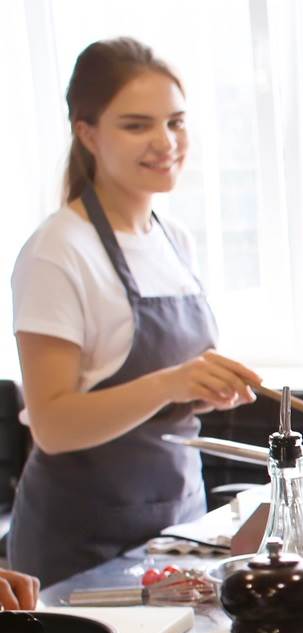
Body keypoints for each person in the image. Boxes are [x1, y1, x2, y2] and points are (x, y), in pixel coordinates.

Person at [9, 38, 258, 589]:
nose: (165, 142)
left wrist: (201, 389)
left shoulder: (174, 238)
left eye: (176, 122)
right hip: (80, 546)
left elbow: (155, 398)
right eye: (136, 125)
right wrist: (171, 382)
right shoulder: (57, 251)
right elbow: (52, 425)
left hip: (176, 530)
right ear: (87, 133)